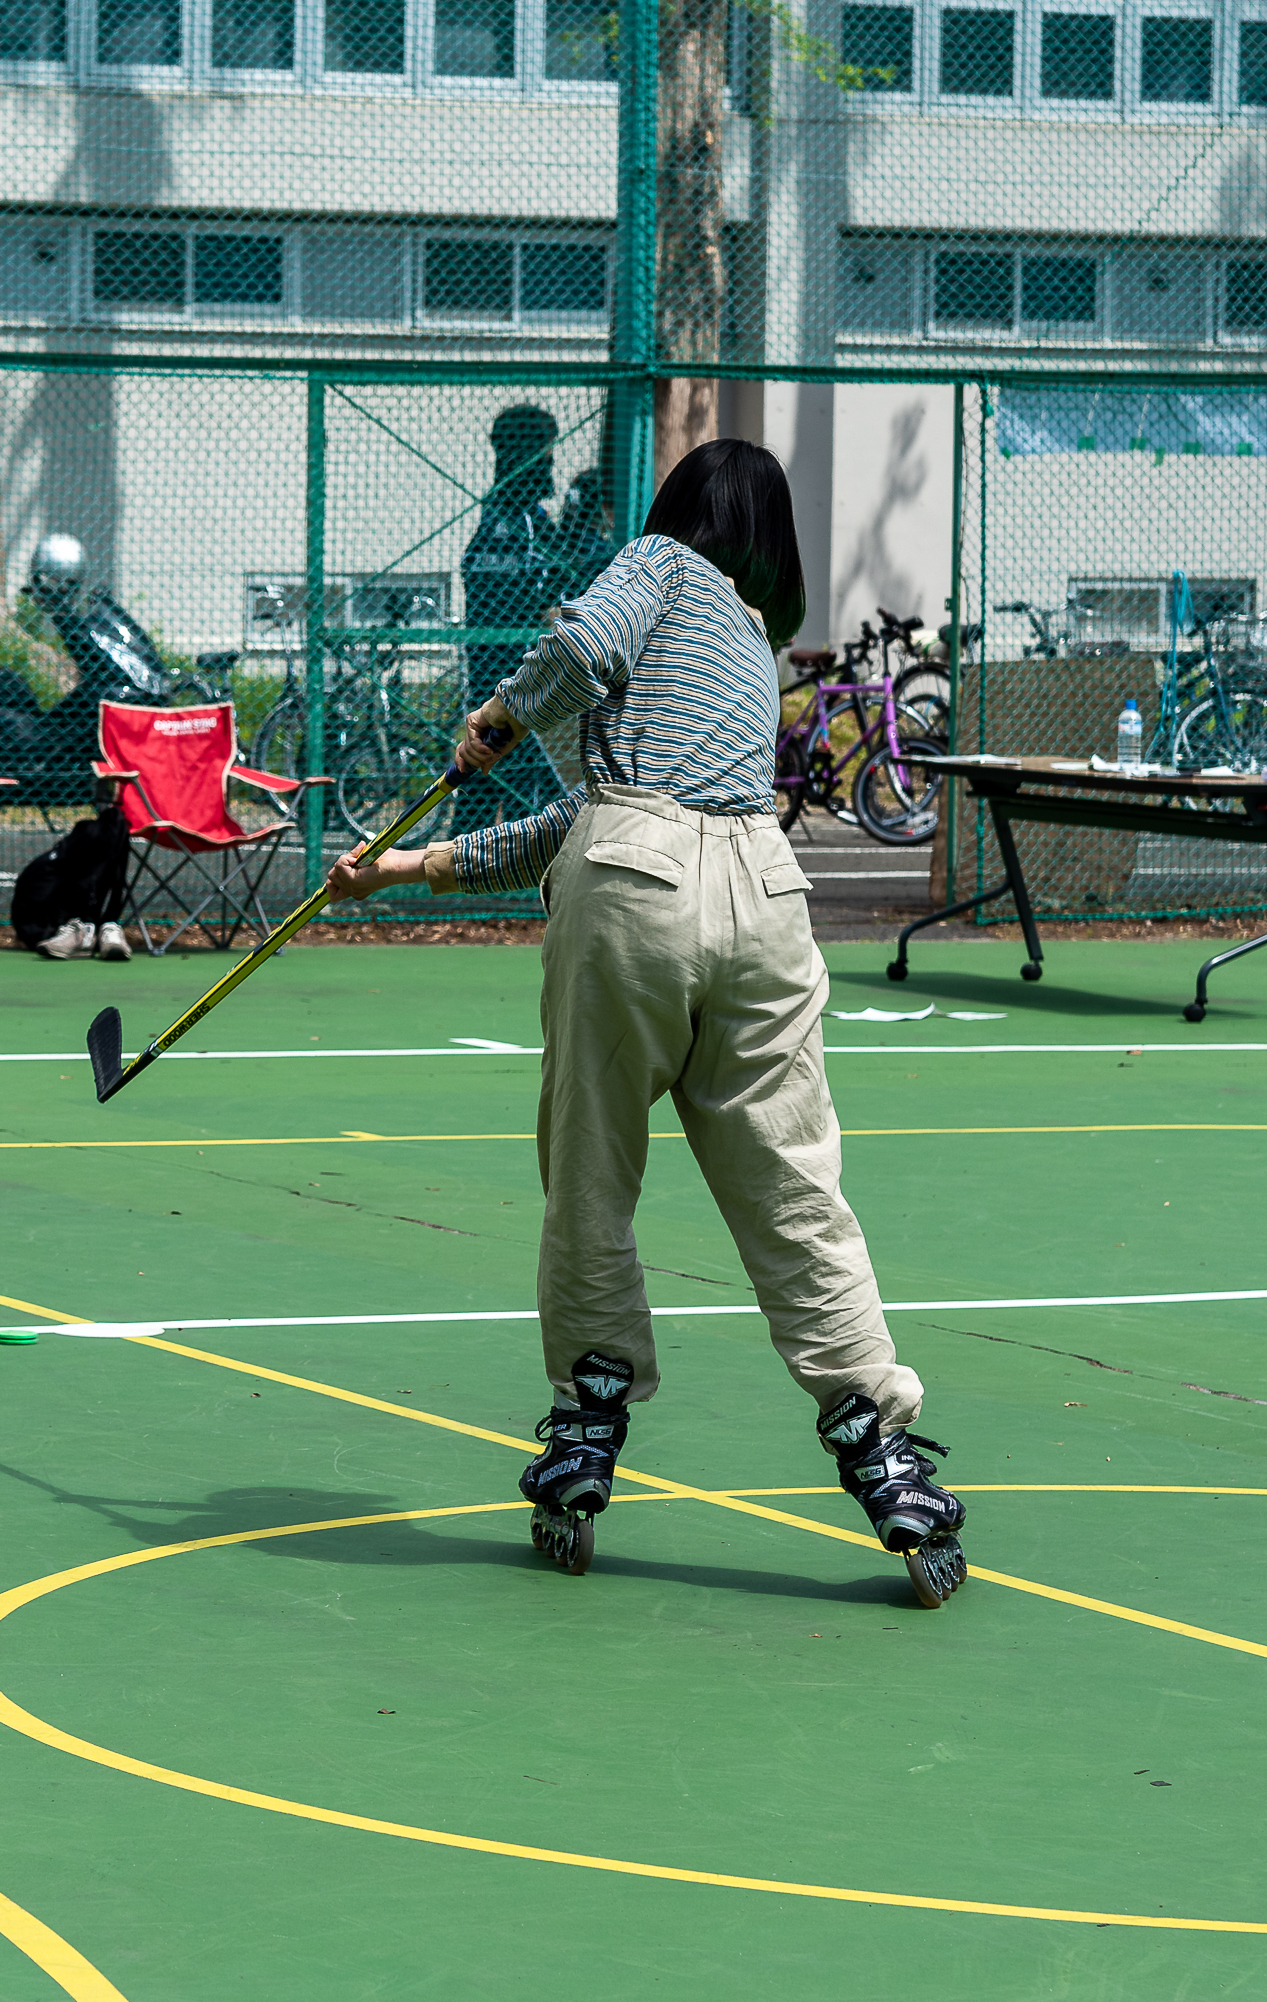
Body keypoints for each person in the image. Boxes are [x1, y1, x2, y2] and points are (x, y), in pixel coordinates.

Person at [324, 438, 968, 1605]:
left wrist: (502, 714)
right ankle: (882, 1443)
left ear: (680, 513)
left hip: (636, 892)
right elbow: (578, 822)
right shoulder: (747, 641)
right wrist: (400, 868)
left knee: (592, 1172)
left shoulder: (660, 564)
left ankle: (588, 1422)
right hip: (769, 895)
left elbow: (577, 660)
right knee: (796, 1188)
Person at [453, 405, 574, 839]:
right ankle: (480, 865)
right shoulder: (512, 517)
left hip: (508, 669)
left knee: (500, 776)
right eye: (544, 451)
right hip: (507, 671)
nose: (551, 463)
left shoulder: (521, 515)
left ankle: (472, 861)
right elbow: (543, 580)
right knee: (509, 776)